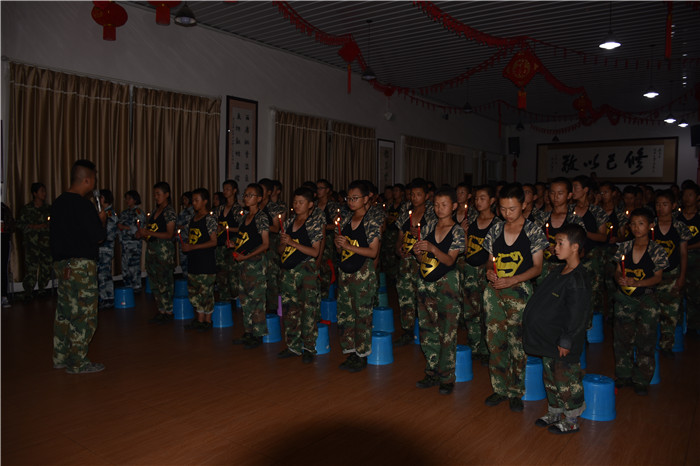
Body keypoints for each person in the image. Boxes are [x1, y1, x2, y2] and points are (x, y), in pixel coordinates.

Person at [483, 183, 548, 412]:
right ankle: (499, 387)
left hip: (519, 292)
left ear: (523, 205)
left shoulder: (533, 231)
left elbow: (537, 267)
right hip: (495, 291)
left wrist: (513, 280)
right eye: (502, 209)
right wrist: (489, 272)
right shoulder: (495, 230)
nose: (507, 213)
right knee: (495, 340)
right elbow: (490, 261)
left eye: (512, 209)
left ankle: (515, 390)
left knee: (517, 342)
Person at [523, 224, 590, 434]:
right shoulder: (558, 271)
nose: (555, 247)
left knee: (566, 379)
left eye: (561, 243)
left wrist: (566, 340)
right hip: (548, 338)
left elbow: (577, 314)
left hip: (563, 341)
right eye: (556, 243)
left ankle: (571, 419)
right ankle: (554, 411)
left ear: (575, 247)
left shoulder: (578, 278)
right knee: (550, 377)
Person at [50, 159, 107, 374]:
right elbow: (98, 237)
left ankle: (60, 356)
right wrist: (102, 219)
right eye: (93, 179)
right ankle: (77, 362)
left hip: (62, 264)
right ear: (87, 180)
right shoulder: (84, 205)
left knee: (64, 312)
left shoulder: (58, 203)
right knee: (84, 314)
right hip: (81, 267)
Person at [413, 187, 465, 395]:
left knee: (447, 330)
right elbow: (422, 259)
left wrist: (433, 249)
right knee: (427, 329)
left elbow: (450, 260)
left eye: (444, 205)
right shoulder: (428, 226)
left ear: (454, 206)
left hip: (447, 283)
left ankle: (447, 376)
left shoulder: (457, 231)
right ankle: (432, 370)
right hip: (426, 282)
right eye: (436, 205)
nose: (439, 208)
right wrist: (418, 252)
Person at [613, 208, 669, 396]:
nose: (636, 228)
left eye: (641, 223)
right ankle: (623, 374)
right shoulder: (624, 247)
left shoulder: (657, 249)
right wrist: (620, 279)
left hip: (647, 299)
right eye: (633, 224)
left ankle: (642, 378)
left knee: (646, 339)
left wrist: (638, 283)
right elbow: (617, 271)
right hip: (625, 298)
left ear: (651, 225)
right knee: (622, 338)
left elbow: (658, 277)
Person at [335, 180, 381, 373]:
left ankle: (362, 354)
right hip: (345, 273)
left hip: (362, 274)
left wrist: (348, 246)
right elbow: (341, 250)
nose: (351, 201)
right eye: (349, 198)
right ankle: (351, 350)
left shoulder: (371, 221)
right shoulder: (345, 220)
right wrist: (339, 245)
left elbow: (373, 252)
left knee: (362, 315)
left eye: (355, 198)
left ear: (365, 199)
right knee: (346, 313)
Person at [278, 187, 324, 363]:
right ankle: (293, 346)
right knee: (290, 310)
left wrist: (292, 242)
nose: (297, 205)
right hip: (288, 272)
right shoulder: (289, 222)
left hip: (306, 271)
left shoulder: (314, 223)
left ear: (310, 204)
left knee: (308, 310)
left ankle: (309, 347)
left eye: (301, 202)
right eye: (295, 202)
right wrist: (284, 244)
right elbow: (280, 250)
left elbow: (314, 251)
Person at [461, 185, 501, 365]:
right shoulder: (471, 221)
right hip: (470, 269)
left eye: (482, 198)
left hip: (487, 271)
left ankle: (486, 349)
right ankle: (474, 345)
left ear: (492, 201)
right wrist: (464, 232)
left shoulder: (498, 224)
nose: (478, 202)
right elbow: (465, 249)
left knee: (487, 310)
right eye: (476, 198)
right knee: (471, 309)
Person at [394, 179, 436, 346]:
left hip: (423, 261)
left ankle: (427, 331)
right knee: (405, 295)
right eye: (412, 194)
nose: (414, 197)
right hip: (406, 261)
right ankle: (408, 329)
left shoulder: (432, 214)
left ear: (426, 196)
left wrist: (420, 233)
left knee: (424, 297)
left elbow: (437, 238)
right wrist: (399, 249)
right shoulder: (406, 213)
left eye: (419, 194)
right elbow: (400, 236)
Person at [231, 183, 270, 349]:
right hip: (244, 264)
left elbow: (265, 244)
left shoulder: (261, 218)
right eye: (245, 195)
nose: (246, 198)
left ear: (259, 198)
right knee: (245, 299)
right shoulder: (244, 217)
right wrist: (234, 244)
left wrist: (246, 256)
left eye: (250, 195)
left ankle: (258, 334)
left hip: (256, 264)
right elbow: (245, 239)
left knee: (257, 300)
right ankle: (248, 331)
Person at [653, 190, 691, 357]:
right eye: (658, 204)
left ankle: (667, 345)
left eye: (665, 204)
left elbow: (683, 254)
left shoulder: (679, 227)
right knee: (652, 310)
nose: (660, 208)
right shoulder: (650, 225)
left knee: (670, 313)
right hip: (652, 274)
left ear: (673, 206)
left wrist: (682, 277)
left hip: (672, 273)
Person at [182, 188, 218, 331]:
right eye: (193, 200)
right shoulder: (193, 218)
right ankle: (199, 319)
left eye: (197, 200)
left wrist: (193, 247)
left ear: (205, 201)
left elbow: (213, 241)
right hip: (194, 261)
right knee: (195, 293)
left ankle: (207, 321)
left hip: (205, 263)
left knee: (206, 293)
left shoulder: (209, 219)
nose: (194, 203)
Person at [141, 182, 176, 324]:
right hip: (152, 250)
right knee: (154, 281)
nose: (156, 197)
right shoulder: (155, 211)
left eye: (158, 194)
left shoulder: (169, 212)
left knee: (165, 281)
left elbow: (169, 234)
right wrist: (144, 234)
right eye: (154, 194)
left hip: (163, 251)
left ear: (166, 195)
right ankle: (161, 310)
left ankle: (169, 311)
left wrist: (149, 233)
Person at [17, 182, 51, 299]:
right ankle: (28, 291)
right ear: (35, 193)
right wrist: (33, 227)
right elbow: (19, 224)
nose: (44, 194)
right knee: (31, 269)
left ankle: (42, 289)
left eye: (45, 191)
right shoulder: (27, 209)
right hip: (31, 245)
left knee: (46, 268)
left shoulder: (48, 209)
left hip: (46, 244)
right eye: (42, 191)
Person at [677, 183, 700, 337]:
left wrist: (686, 247)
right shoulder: (677, 217)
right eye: (684, 195)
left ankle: (693, 325)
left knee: (695, 294)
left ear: (697, 197)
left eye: (690, 195)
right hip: (678, 258)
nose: (687, 198)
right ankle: (678, 324)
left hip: (696, 259)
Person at [215, 180, 244, 303]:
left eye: (228, 189)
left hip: (232, 243)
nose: (225, 191)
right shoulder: (220, 208)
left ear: (234, 191)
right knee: (221, 273)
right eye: (224, 189)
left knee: (233, 273)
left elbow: (241, 228)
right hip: (220, 243)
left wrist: (226, 229)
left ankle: (236, 298)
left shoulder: (238, 208)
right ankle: (224, 299)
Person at [117, 190, 145, 292]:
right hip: (125, 244)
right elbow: (118, 226)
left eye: (129, 198)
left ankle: (136, 286)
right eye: (126, 198)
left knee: (134, 267)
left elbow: (138, 229)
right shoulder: (124, 213)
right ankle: (127, 286)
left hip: (134, 244)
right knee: (125, 267)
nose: (127, 201)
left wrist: (124, 227)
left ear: (135, 200)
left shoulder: (138, 213)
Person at [97, 189, 118, 309]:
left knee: (104, 274)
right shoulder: (103, 213)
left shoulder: (109, 214)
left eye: (100, 197)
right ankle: (103, 297)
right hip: (101, 248)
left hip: (106, 248)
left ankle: (108, 298)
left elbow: (108, 232)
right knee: (101, 274)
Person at [176, 191, 194, 278]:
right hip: (182, 240)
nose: (184, 201)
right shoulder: (182, 212)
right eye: (183, 199)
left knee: (192, 263)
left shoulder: (194, 211)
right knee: (183, 263)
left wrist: (183, 227)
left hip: (190, 241)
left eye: (186, 199)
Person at [2, 202, 17, 307]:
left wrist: (5, 227)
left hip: (3, 243)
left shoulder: (4, 208)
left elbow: (12, 225)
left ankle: (3, 296)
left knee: (3, 269)